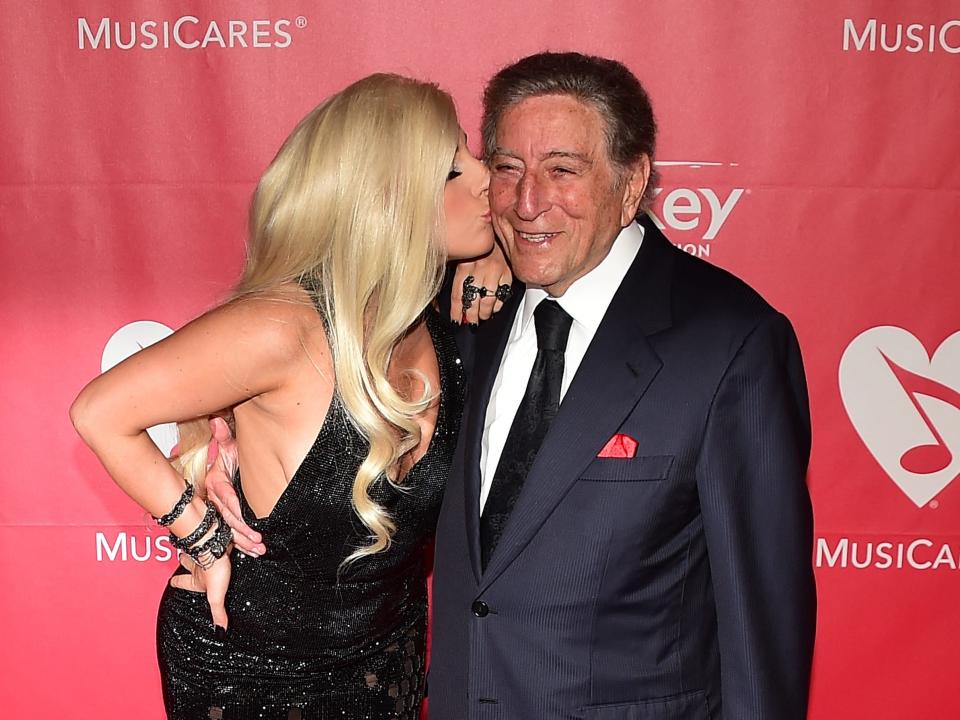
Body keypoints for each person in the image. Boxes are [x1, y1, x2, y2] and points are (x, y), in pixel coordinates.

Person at [70, 73, 502, 719]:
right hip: (255, 669)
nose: (488, 178)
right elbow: (100, 412)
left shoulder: (433, 314)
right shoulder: (285, 325)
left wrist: (496, 253)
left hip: (389, 651)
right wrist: (199, 533)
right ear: (385, 197)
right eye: (450, 171)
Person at [425, 52, 816, 719]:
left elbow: (761, 627)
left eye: (562, 171)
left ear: (632, 182)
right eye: (508, 170)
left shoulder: (728, 343)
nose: (527, 202)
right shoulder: (463, 319)